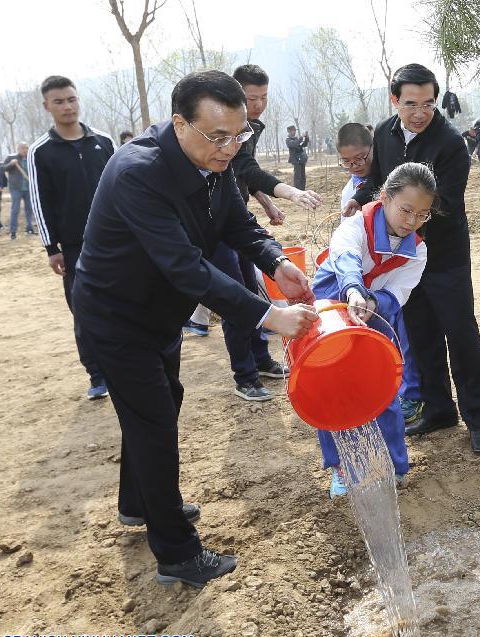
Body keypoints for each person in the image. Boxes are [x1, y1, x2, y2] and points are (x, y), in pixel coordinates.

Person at [72, 70, 319, 587]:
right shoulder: (139, 170)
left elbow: (235, 223)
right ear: (180, 124)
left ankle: (139, 503)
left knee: (161, 405)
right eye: (218, 136)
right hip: (117, 315)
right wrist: (268, 315)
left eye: (239, 134)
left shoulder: (212, 161)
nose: (230, 148)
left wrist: (276, 264)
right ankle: (178, 554)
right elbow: (187, 266)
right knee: (154, 419)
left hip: (158, 311)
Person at [342, 63, 480, 455]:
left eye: (428, 103)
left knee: (460, 334)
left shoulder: (449, 144)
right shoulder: (384, 133)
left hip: (444, 257)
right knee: (421, 335)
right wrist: (360, 203)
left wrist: (401, 221)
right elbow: (377, 181)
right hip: (399, 259)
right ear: (395, 100)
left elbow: (443, 202)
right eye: (410, 104)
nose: (420, 113)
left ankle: (478, 418)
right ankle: (440, 409)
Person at [184, 64, 323, 402]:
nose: (258, 105)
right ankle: (244, 374)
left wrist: (268, 210)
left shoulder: (248, 128)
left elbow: (237, 179)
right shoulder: (219, 133)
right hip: (211, 227)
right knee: (234, 296)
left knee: (252, 290)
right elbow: (244, 167)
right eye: (251, 98)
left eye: (263, 97)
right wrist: (287, 192)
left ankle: (260, 358)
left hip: (235, 219)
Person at [313, 162, 432, 497]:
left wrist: (372, 305)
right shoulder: (356, 226)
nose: (411, 221)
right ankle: (340, 467)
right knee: (331, 386)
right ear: (384, 198)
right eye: (406, 210)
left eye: (422, 215)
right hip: (334, 301)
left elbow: (398, 292)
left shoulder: (417, 250)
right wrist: (353, 291)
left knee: (380, 387)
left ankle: (393, 465)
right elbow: (346, 260)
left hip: (377, 311)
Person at [29, 76, 115, 399]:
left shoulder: (104, 142)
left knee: (124, 301)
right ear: (47, 106)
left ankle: (123, 363)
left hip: (115, 240)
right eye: (59, 101)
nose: (67, 106)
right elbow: (41, 202)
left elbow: (125, 185)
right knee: (84, 307)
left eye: (71, 99)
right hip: (76, 246)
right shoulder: (42, 151)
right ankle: (97, 373)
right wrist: (52, 248)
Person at [337, 122, 423, 424]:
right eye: (348, 162)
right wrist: (354, 289)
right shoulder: (351, 195)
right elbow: (346, 253)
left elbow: (399, 290)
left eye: (361, 157)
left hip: (384, 290)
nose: (356, 165)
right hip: (356, 290)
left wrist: (375, 299)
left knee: (400, 341)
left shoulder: (400, 185)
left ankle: (408, 394)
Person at [3, 142, 35, 238]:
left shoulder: (31, 158)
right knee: (15, 209)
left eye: (26, 148)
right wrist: (11, 164)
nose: (25, 150)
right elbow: (2, 168)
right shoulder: (11, 158)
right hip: (16, 188)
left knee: (29, 209)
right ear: (18, 149)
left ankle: (29, 228)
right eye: (23, 148)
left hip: (28, 187)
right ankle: (13, 232)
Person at [285, 125, 309, 190]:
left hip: (301, 159)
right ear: (289, 131)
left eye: (295, 130)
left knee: (303, 176)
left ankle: (302, 189)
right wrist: (301, 137)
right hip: (295, 160)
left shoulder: (296, 139)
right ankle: (297, 190)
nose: (294, 132)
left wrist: (306, 138)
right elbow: (294, 144)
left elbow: (304, 144)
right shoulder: (288, 140)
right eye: (293, 130)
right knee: (297, 177)